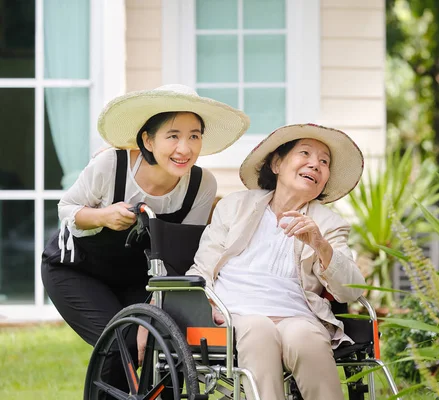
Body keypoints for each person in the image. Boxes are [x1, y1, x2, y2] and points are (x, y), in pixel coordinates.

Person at [41, 84, 249, 394]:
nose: (185, 148)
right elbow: (67, 208)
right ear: (148, 139)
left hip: (139, 279)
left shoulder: (201, 185)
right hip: (77, 271)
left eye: (194, 136)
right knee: (117, 344)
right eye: (173, 136)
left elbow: (180, 256)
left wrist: (150, 319)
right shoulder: (112, 164)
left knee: (156, 342)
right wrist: (103, 216)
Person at [186, 123, 366, 400]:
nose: (315, 164)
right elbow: (204, 266)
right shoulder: (235, 206)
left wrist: (320, 245)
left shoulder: (330, 224)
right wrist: (208, 303)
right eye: (304, 153)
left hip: (296, 315)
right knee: (258, 330)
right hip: (234, 313)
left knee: (307, 338)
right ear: (277, 163)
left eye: (324, 161)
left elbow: (351, 291)